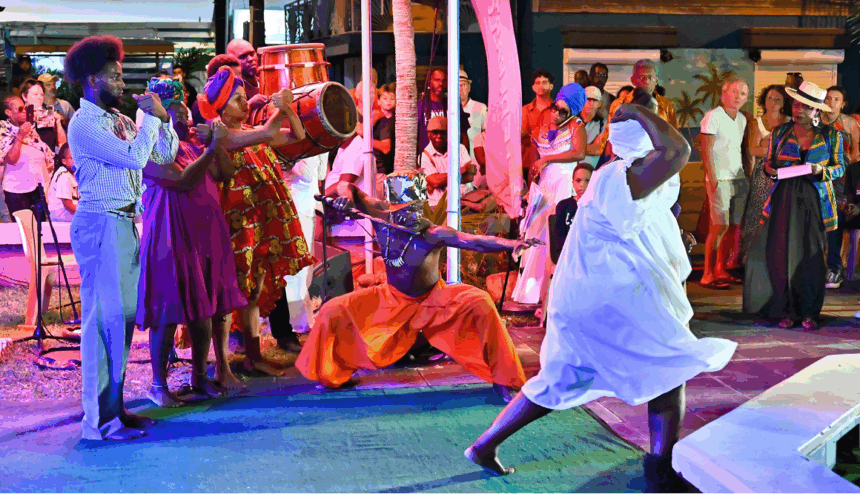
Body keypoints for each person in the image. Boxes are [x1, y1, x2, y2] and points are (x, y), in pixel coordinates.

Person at [464, 103, 736, 493]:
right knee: (669, 363)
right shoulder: (624, 176)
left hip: (599, 295)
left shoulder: (622, 175)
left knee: (562, 378)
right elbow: (679, 149)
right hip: (611, 298)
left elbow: (650, 213)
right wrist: (638, 107)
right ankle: (660, 470)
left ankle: (484, 445)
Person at [297, 170, 539, 401]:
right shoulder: (378, 215)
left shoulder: (433, 233)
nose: (412, 216)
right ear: (391, 208)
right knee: (332, 309)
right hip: (390, 298)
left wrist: (511, 244)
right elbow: (345, 186)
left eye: (417, 209)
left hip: (434, 299)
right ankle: (331, 376)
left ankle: (503, 380)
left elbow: (474, 241)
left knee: (481, 301)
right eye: (405, 211)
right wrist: (346, 201)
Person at [64, 35, 179, 441]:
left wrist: (163, 119)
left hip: (124, 224)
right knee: (102, 325)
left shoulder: (119, 120)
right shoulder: (84, 124)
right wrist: (149, 121)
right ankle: (99, 423)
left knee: (122, 321)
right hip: (101, 225)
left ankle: (116, 410)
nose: (122, 83)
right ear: (91, 79)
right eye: (113, 76)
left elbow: (163, 156)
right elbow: (134, 157)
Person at [136, 79, 249, 406]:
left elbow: (225, 173)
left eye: (186, 113)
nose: (185, 120)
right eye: (176, 115)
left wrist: (216, 143)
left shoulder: (193, 145)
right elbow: (182, 181)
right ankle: (158, 386)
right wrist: (211, 149)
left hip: (203, 235)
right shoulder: (149, 149)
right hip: (169, 237)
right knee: (167, 310)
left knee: (204, 308)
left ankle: (199, 377)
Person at [199, 67, 314, 375]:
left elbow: (299, 136)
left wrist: (287, 109)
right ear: (222, 107)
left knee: (253, 291)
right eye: (237, 99)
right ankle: (224, 364)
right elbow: (265, 133)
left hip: (258, 223)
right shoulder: (223, 134)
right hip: (235, 224)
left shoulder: (249, 129)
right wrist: (279, 108)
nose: (245, 102)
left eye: (244, 97)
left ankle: (253, 357)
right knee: (230, 294)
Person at [743, 82, 846, 331]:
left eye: (806, 107)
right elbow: (769, 163)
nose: (799, 110)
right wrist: (770, 170)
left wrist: (821, 170)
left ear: (816, 111)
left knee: (811, 257)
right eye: (797, 105)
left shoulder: (831, 135)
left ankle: (809, 312)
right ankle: (787, 310)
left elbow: (839, 167)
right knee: (783, 255)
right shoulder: (780, 132)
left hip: (815, 199)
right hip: (784, 198)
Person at [513, 83, 586, 305]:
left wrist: (549, 158)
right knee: (536, 232)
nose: (556, 113)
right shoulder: (540, 130)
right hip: (544, 186)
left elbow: (579, 153)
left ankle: (557, 293)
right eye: (555, 107)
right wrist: (529, 190)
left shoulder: (576, 127)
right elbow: (534, 167)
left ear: (572, 112)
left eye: (563, 111)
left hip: (564, 184)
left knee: (557, 232)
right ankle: (532, 291)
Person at [699, 77, 750, 289]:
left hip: (738, 178)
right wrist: (711, 179)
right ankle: (707, 273)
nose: (738, 96)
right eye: (734, 91)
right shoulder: (713, 116)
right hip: (719, 178)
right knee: (719, 225)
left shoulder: (742, 119)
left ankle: (721, 269)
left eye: (743, 93)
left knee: (733, 227)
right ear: (724, 95)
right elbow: (706, 149)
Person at [739, 85, 791, 264]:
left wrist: (766, 144)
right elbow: (753, 150)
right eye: (770, 98)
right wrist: (777, 149)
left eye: (778, 99)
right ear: (763, 101)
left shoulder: (790, 122)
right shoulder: (757, 122)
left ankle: (776, 256)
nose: (773, 102)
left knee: (781, 213)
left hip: (785, 172)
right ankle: (749, 256)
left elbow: (793, 150)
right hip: (762, 173)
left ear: (784, 103)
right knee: (757, 212)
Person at [280, 152, 328, 341]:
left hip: (309, 207)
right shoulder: (293, 145)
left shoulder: (319, 146)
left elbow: (321, 174)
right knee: (296, 269)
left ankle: (302, 319)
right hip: (294, 206)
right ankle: (297, 321)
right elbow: (303, 174)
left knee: (306, 268)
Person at [821, 86, 860, 289]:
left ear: (843, 104)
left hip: (842, 177)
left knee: (836, 221)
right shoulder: (816, 120)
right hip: (819, 175)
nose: (831, 102)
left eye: (836, 99)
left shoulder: (849, 123)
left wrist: (849, 179)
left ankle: (834, 268)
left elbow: (855, 153)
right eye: (828, 98)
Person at [1, 94, 53, 220]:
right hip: (16, 190)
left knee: (41, 226)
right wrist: (20, 136)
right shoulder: (3, 131)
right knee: (24, 227)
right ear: (8, 112)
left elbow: (50, 118)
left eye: (25, 108)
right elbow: (11, 160)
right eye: (20, 109)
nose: (24, 111)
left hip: (37, 187)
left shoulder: (30, 128)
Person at [419, 115, 477, 208]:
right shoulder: (425, 155)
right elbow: (436, 182)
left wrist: (441, 179)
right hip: (439, 207)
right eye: (435, 132)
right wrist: (462, 170)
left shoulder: (460, 148)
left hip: (465, 201)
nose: (439, 136)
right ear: (429, 134)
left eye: (443, 132)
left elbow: (470, 176)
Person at [416, 67, 470, 153]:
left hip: (450, 156)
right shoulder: (419, 106)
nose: (441, 83)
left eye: (444, 80)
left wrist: (464, 156)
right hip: (426, 156)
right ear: (429, 82)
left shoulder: (454, 105)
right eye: (437, 80)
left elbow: (463, 133)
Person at [522, 69, 555, 181]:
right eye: (537, 83)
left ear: (551, 86)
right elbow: (521, 135)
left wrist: (533, 135)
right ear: (533, 87)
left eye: (544, 82)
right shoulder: (525, 110)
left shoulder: (557, 109)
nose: (541, 85)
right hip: (527, 162)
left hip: (550, 162)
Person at [20, 79, 67, 153]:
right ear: (24, 96)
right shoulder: (18, 116)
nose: (40, 97)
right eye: (35, 94)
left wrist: (58, 123)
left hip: (50, 157)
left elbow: (62, 145)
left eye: (42, 95)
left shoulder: (49, 115)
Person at [631, 59, 678, 129]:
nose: (646, 81)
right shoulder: (620, 104)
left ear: (656, 80)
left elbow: (674, 132)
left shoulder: (667, 105)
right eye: (641, 77)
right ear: (633, 80)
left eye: (650, 77)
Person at [47, 143, 78, 222]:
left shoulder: (73, 173)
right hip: (61, 214)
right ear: (64, 161)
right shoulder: (64, 176)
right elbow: (68, 206)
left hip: (68, 211)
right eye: (72, 158)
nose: (76, 161)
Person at [460, 69, 487, 157]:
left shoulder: (481, 108)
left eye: (464, 85)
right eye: (457, 85)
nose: (460, 89)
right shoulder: (447, 109)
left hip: (475, 160)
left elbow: (488, 135)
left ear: (469, 87)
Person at [373, 83, 396, 179]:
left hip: (395, 163)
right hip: (380, 167)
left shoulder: (399, 120)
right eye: (385, 98)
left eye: (392, 99)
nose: (388, 101)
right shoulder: (374, 119)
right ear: (378, 101)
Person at [580, 86, 605, 167]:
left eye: (595, 100)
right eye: (588, 99)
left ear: (599, 104)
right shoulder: (571, 120)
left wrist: (576, 147)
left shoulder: (603, 123)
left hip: (592, 170)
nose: (591, 103)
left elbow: (599, 149)